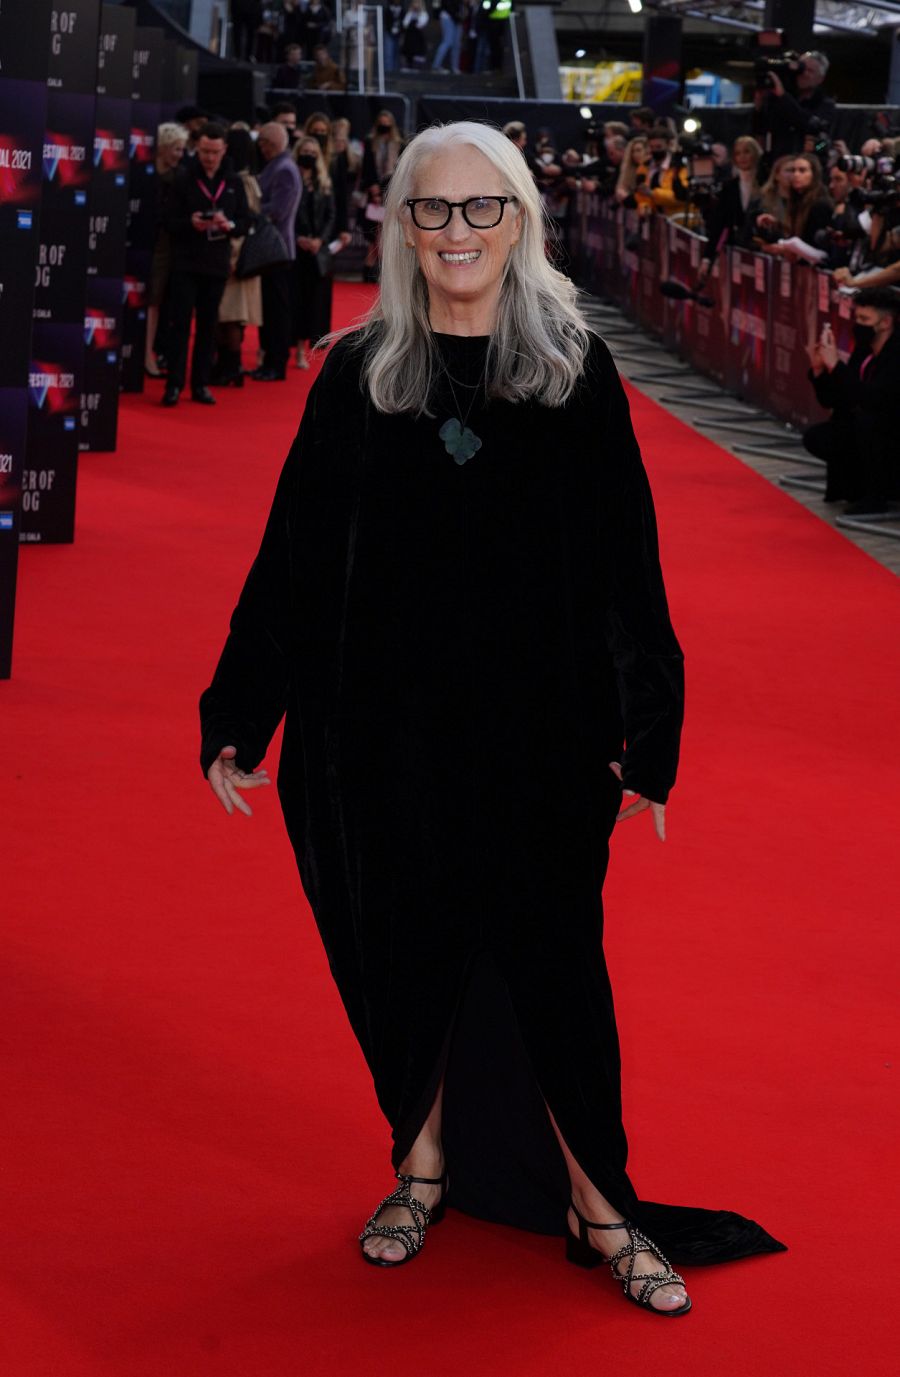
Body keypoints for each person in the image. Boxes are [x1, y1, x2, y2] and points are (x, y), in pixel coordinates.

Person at [199, 119, 786, 1313]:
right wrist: (239, 711)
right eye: (433, 210)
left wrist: (648, 733)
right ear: (401, 226)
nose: (457, 233)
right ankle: (420, 1168)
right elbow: (295, 562)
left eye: (482, 209)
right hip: (378, 739)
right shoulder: (360, 373)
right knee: (400, 955)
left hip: (538, 745)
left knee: (556, 975)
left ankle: (600, 1206)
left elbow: (629, 566)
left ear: (520, 220)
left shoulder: (575, 369)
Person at [162, 123, 250, 407]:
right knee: (180, 326)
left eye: (214, 152)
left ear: (224, 150)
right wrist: (191, 222)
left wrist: (229, 224)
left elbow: (247, 222)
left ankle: (200, 384)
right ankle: (173, 384)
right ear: (197, 149)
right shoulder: (184, 178)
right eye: (204, 151)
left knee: (208, 327)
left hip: (216, 264)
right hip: (186, 263)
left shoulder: (234, 182)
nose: (209, 157)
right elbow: (167, 222)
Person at [804, 286, 900, 514]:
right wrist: (820, 372)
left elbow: (873, 399)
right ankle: (857, 490)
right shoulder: (864, 350)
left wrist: (837, 366)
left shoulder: (896, 353)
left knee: (866, 423)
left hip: (892, 431)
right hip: (873, 426)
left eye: (865, 319)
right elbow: (834, 400)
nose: (858, 324)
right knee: (822, 435)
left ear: (886, 322)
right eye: (857, 317)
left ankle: (878, 495)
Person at [211, 125, 263, 388]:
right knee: (234, 317)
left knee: (229, 316)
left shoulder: (240, 181)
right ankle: (231, 366)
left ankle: (229, 367)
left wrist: (232, 259)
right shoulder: (251, 179)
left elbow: (246, 221)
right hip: (247, 260)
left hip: (237, 257)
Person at [252, 122, 302, 382]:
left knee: (277, 311)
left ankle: (276, 362)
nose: (261, 148)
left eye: (264, 143)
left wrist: (250, 209)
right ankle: (271, 360)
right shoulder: (280, 166)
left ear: (271, 144)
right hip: (273, 249)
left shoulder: (284, 169)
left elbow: (278, 210)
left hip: (277, 250)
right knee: (271, 309)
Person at [146, 122, 189, 378]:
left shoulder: (181, 177)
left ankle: (153, 353)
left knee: (159, 304)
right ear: (162, 148)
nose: (180, 155)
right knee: (151, 303)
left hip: (169, 247)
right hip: (146, 244)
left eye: (182, 149)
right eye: (176, 149)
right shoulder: (146, 173)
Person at [291, 133, 336, 367]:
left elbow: (331, 215)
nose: (308, 156)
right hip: (295, 251)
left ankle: (310, 346)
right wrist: (296, 237)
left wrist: (321, 240)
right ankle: (296, 349)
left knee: (315, 301)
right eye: (304, 152)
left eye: (312, 153)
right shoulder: (290, 179)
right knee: (296, 301)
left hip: (318, 253)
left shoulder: (324, 181)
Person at [697, 136, 762, 282]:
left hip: (762, 251)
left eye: (747, 152)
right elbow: (719, 223)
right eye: (738, 153)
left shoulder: (767, 184)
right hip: (738, 249)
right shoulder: (730, 187)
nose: (742, 157)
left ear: (756, 154)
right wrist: (707, 258)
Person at [752, 50, 836, 160]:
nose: (804, 74)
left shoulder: (826, 105)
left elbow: (826, 143)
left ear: (820, 79)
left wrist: (816, 147)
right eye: (801, 69)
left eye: (810, 71)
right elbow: (759, 131)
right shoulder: (777, 100)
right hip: (778, 163)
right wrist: (758, 108)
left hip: (808, 168)